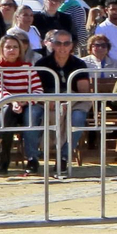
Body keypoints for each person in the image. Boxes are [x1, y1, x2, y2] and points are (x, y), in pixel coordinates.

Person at [0, 33, 44, 174]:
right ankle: (2, 158)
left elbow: (38, 90)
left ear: (21, 50)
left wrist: (22, 102)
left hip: (20, 107)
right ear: (1, 49)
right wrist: (13, 102)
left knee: (10, 115)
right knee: (8, 111)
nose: (12, 50)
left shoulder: (27, 67)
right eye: (8, 47)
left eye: (15, 47)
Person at [39, 31, 91, 174]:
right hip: (48, 102)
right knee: (34, 114)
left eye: (66, 43)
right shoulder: (42, 64)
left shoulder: (79, 63)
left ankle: (63, 156)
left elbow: (84, 92)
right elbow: (37, 90)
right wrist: (48, 101)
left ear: (72, 46)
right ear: (52, 45)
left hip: (75, 101)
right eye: (58, 43)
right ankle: (33, 157)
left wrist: (68, 102)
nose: (62, 47)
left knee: (78, 118)